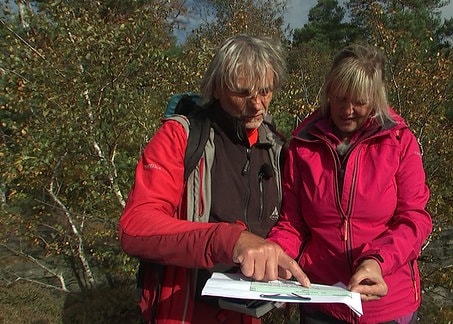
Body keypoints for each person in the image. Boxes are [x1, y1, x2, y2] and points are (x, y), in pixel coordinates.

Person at [118, 34, 309, 324]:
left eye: (266, 91)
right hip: (184, 311)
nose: (257, 105)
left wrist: (280, 253)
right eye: (243, 92)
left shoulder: (276, 149)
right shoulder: (181, 137)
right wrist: (230, 240)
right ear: (217, 88)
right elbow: (136, 227)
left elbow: (289, 222)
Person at [265, 43, 433, 323]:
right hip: (320, 299)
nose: (348, 110)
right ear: (329, 92)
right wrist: (278, 254)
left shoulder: (400, 142)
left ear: (376, 99)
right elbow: (292, 223)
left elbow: (414, 219)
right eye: (340, 98)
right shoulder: (302, 145)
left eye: (360, 101)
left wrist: (378, 260)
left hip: (386, 303)